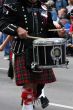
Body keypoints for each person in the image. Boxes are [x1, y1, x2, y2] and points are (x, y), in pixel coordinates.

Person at [0, 0, 63, 110]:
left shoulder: (44, 8)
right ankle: (28, 106)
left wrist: (58, 32)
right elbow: (2, 23)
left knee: (38, 86)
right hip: (23, 49)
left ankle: (27, 105)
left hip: (41, 51)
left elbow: (48, 29)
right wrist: (17, 29)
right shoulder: (14, 6)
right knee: (28, 84)